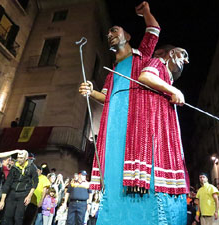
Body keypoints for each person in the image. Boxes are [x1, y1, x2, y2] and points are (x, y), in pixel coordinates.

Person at [80, 1, 188, 224]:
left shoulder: (141, 55)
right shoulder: (111, 72)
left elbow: (153, 30)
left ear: (127, 36)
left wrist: (146, 12)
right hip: (114, 123)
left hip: (138, 119)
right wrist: (91, 92)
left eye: (114, 30)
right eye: (108, 32)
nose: (110, 34)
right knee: (113, 167)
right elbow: (106, 96)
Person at [0, 150, 39, 225]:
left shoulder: (32, 167)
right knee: (7, 216)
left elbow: (35, 182)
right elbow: (7, 183)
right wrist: (2, 200)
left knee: (18, 217)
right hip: (12, 193)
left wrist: (29, 196)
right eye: (18, 157)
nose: (19, 159)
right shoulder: (14, 167)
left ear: (26, 158)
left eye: (21, 158)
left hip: (23, 194)